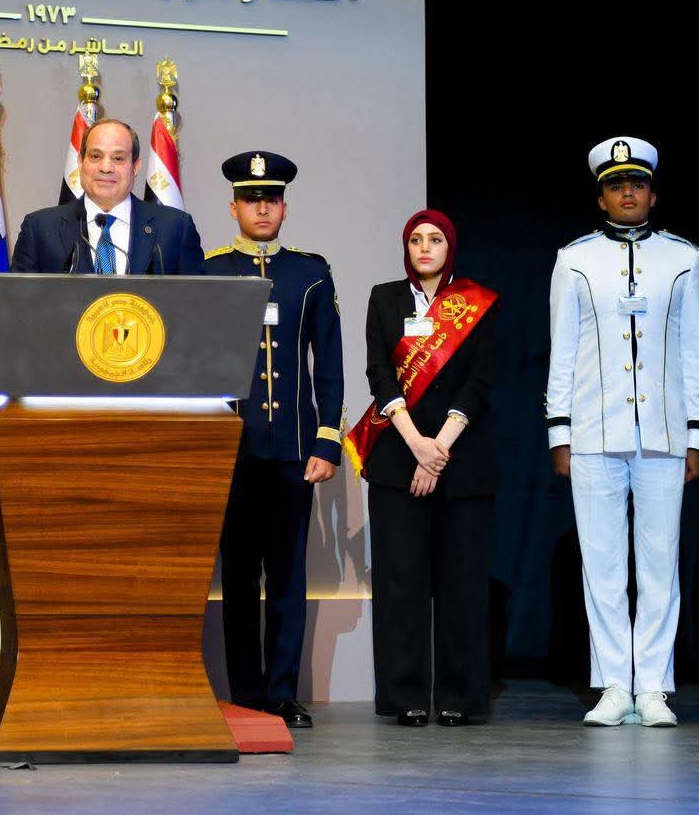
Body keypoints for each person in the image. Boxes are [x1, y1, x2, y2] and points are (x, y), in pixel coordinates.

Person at [546, 137, 699, 728]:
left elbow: (695, 351)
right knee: (603, 564)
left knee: (660, 562)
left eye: (637, 183)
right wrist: (559, 430)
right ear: (601, 197)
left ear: (652, 193)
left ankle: (655, 685)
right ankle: (615, 683)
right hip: (594, 429)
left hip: (664, 431)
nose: (628, 193)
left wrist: (697, 433)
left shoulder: (684, 258)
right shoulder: (575, 259)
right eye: (616, 185)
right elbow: (562, 349)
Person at [204, 152, 342, 729]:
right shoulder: (210, 272)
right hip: (233, 451)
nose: (262, 208)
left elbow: (328, 364)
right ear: (233, 207)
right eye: (251, 199)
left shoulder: (310, 273)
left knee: (287, 575)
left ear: (284, 207)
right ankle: (245, 692)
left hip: (292, 449)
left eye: (272, 199)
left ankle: (282, 693)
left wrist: (327, 441)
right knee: (239, 577)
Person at [348, 209, 497, 727]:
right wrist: (417, 445)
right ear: (406, 247)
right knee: (401, 583)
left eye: (435, 239)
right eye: (416, 239)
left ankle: (459, 695)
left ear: (449, 247)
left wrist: (439, 450)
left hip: (463, 461)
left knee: (462, 584)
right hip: (398, 458)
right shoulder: (384, 298)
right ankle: (405, 694)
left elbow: (479, 381)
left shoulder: (476, 302)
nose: (425, 247)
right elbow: (379, 373)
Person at [11, 118, 203, 275]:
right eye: (95, 156)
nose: (105, 168)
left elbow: (196, 302)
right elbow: (18, 302)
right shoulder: (40, 228)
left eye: (118, 158)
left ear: (135, 167)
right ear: (81, 162)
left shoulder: (175, 228)